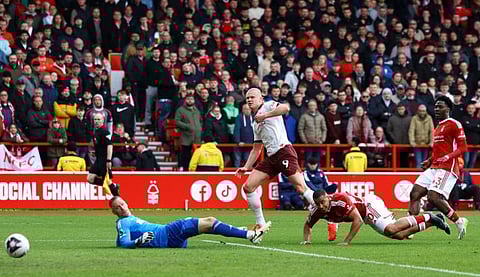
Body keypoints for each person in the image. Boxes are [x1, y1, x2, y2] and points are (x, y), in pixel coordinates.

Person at [235, 88, 316, 229]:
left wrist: (265, 116)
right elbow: (257, 148)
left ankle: (329, 214)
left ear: (260, 99)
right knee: (248, 187)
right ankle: (261, 224)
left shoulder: (268, 105)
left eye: (252, 97)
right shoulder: (255, 123)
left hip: (284, 151)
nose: (249, 100)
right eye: (247, 98)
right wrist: (246, 167)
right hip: (272, 157)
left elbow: (285, 108)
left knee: (301, 187)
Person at [408, 96, 468, 240]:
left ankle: (459, 221)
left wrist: (448, 157)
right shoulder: (438, 127)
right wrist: (429, 161)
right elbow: (437, 151)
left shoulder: (455, 124)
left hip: (448, 167)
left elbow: (463, 147)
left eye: (440, 106)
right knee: (414, 193)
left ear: (448, 108)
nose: (436, 109)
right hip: (435, 166)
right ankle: (410, 227)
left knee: (433, 197)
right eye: (435, 107)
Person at [301, 191, 450, 245]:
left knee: (391, 228)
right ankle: (432, 221)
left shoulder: (340, 199)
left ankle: (427, 215)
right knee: (398, 235)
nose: (321, 206)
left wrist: (346, 242)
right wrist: (307, 241)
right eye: (318, 204)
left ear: (328, 197)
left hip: (368, 205)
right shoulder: (317, 210)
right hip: (365, 215)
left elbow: (357, 220)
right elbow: (308, 225)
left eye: (323, 202)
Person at [111, 196, 268, 247]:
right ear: (114, 212)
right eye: (117, 208)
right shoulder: (122, 222)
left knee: (207, 226)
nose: (122, 208)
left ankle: (238, 231)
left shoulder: (127, 221)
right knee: (210, 221)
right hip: (168, 233)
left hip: (171, 239)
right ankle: (249, 234)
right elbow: (125, 242)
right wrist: (138, 241)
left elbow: (119, 242)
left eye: (122, 204)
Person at [303, 156, 339, 241]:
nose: (313, 166)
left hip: (322, 195)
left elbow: (326, 184)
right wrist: (319, 194)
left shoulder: (321, 173)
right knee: (315, 213)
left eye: (314, 164)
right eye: (311, 164)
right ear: (308, 164)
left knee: (325, 210)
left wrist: (332, 187)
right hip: (313, 196)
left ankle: (332, 223)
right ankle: (332, 222)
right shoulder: (305, 173)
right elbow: (308, 185)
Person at [87, 113, 120, 196]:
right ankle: (113, 186)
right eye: (95, 119)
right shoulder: (96, 131)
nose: (97, 121)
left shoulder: (105, 132)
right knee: (90, 178)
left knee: (108, 181)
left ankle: (118, 199)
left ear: (103, 120)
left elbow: (109, 146)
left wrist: (108, 160)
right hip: (98, 159)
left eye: (98, 119)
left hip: (104, 160)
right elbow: (101, 145)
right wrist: (96, 152)